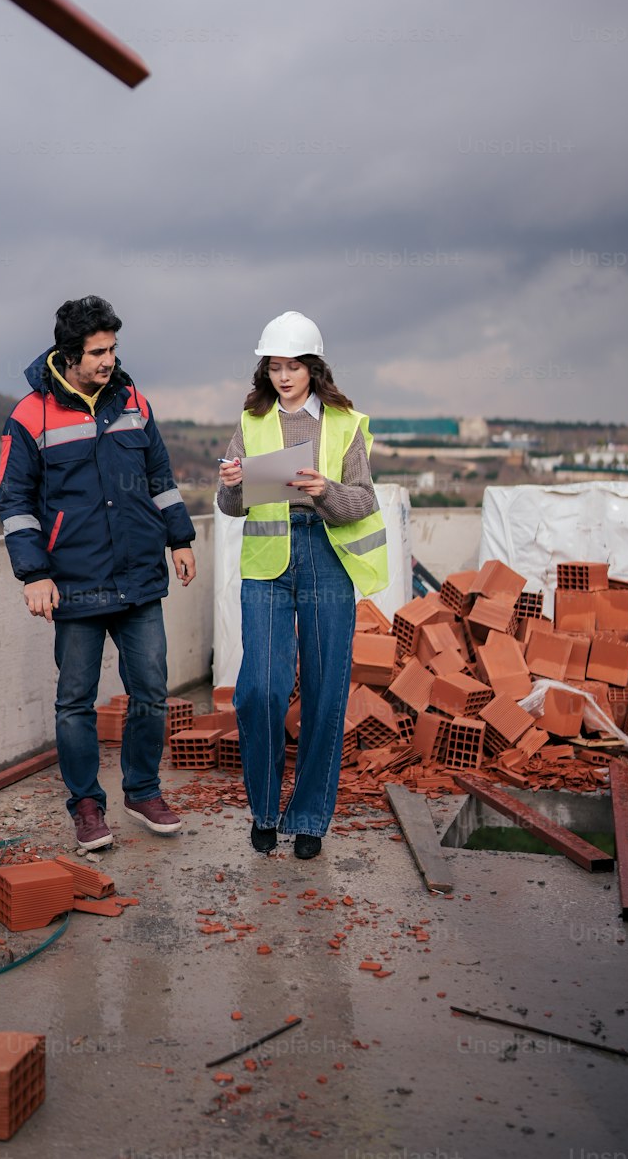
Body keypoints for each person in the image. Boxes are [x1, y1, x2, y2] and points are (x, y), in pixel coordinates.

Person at [0, 295, 196, 850]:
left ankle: (143, 790)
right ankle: (87, 805)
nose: (109, 360)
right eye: (97, 351)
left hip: (138, 577)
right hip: (75, 581)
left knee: (152, 691)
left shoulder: (133, 401)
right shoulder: (30, 415)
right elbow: (14, 500)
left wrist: (179, 536)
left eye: (113, 348)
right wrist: (33, 574)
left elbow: (160, 473)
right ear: (69, 353)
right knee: (75, 702)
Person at [217, 311, 387, 860]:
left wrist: (324, 490)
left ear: (314, 368)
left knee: (324, 694)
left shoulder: (346, 423)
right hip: (268, 561)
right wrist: (231, 485)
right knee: (259, 691)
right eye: (274, 367)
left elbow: (363, 500)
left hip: (326, 558)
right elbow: (230, 507)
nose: (283, 377)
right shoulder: (250, 422)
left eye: (293, 366)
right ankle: (265, 809)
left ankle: (310, 818)